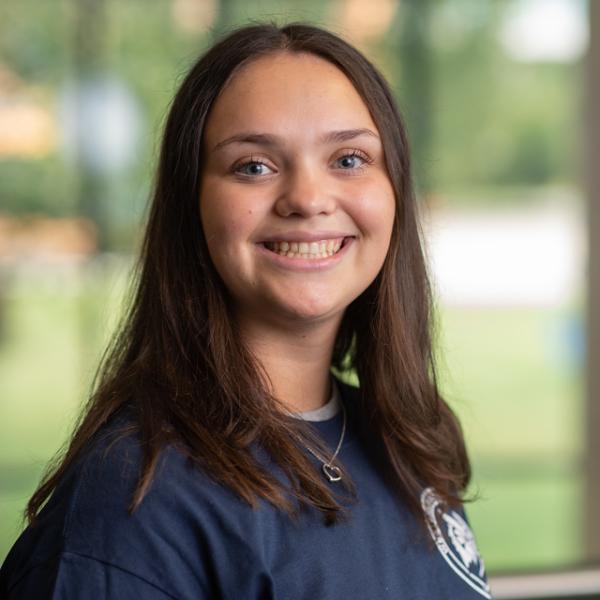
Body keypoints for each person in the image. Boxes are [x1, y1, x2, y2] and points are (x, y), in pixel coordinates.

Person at [0, 22, 491, 599]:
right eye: (254, 166)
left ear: (395, 193)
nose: (307, 199)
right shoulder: (137, 497)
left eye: (350, 159)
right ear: (192, 208)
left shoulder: (404, 442)